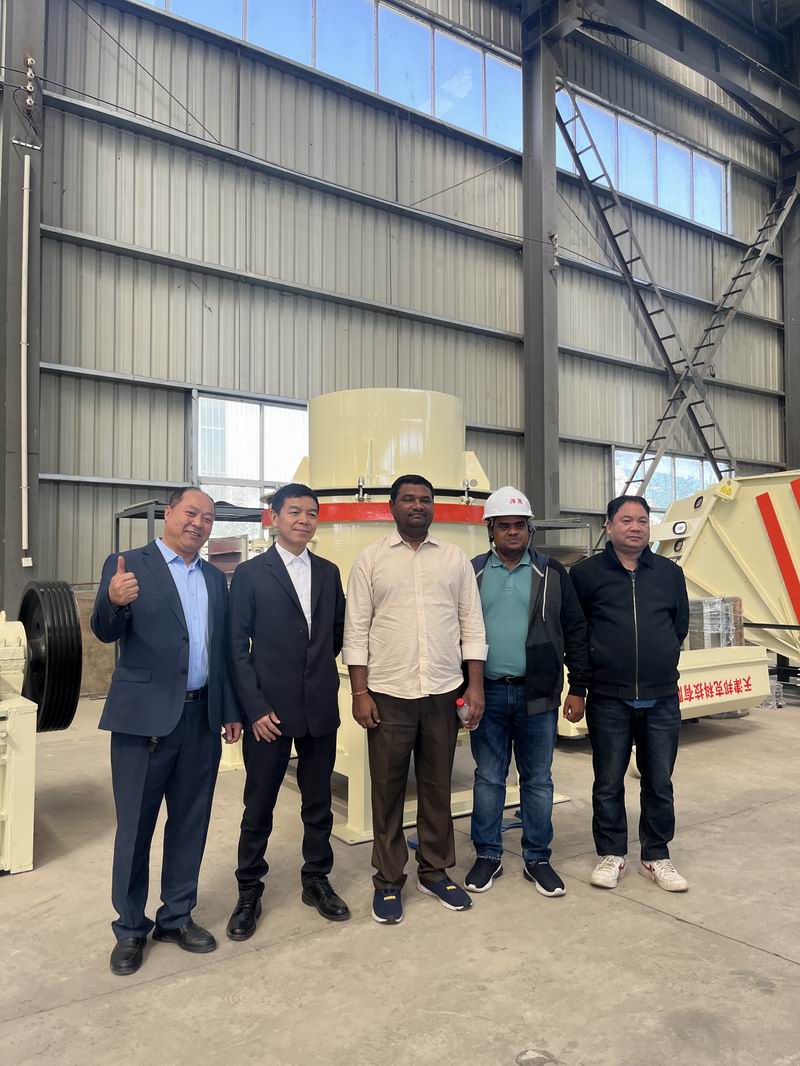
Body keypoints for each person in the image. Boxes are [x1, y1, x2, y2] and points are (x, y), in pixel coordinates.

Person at [91, 487, 241, 977]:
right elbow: (105, 630)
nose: (199, 523)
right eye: (191, 513)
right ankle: (130, 928)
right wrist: (113, 601)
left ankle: (176, 917)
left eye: (208, 518)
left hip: (201, 719)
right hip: (143, 722)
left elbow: (221, 652)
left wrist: (229, 709)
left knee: (190, 823)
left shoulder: (215, 579)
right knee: (136, 828)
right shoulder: (128, 565)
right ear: (169, 513)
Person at [343, 474, 487, 925]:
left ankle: (434, 871)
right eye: (408, 499)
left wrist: (475, 686)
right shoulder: (371, 560)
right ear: (392, 506)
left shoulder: (454, 559)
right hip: (389, 694)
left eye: (425, 499)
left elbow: (472, 625)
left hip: (443, 692)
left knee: (437, 787)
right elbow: (355, 630)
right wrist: (360, 692)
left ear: (434, 507)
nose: (418, 505)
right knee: (386, 792)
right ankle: (388, 879)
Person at [226, 483, 349, 940]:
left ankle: (316, 879)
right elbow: (236, 647)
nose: (304, 519)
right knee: (259, 804)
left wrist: (312, 677)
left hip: (319, 709)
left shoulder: (329, 572)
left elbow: (336, 634)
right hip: (268, 716)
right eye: (294, 511)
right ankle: (249, 890)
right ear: (274, 518)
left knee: (318, 803)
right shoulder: (251, 574)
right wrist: (255, 707)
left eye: (311, 513)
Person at [465, 486, 590, 897]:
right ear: (491, 529)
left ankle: (537, 858)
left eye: (520, 525)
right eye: (504, 525)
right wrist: (462, 690)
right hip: (486, 694)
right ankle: (488, 855)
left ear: (530, 529)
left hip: (537, 694)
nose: (513, 532)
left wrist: (577, 687)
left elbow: (575, 630)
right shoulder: (472, 572)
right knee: (488, 778)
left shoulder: (552, 573)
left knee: (537, 780)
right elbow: (455, 631)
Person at [570, 494, 690, 893]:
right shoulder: (585, 575)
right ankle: (612, 854)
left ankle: (656, 856)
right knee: (608, 781)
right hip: (609, 696)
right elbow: (577, 634)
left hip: (661, 697)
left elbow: (678, 627)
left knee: (659, 781)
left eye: (642, 520)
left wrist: (659, 660)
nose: (635, 527)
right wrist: (580, 686)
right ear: (608, 526)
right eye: (626, 520)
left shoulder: (669, 574)